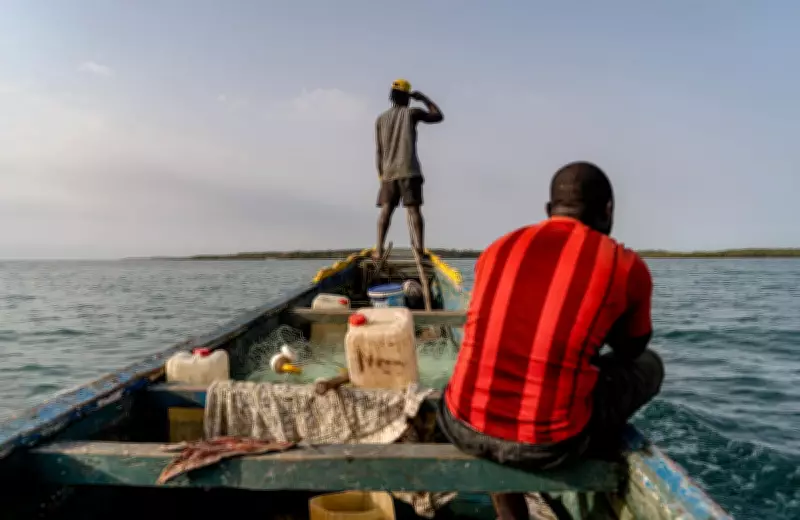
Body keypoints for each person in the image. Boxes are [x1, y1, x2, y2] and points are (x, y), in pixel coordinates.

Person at [437, 161, 664, 520]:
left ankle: (511, 513)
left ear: (548, 211)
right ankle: (600, 446)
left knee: (498, 378)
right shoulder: (625, 265)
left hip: (462, 424)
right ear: (608, 211)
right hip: (548, 445)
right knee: (651, 366)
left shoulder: (498, 248)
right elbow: (631, 351)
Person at [374, 78, 443, 259]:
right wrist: (424, 99)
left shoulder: (380, 119)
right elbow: (438, 116)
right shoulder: (412, 113)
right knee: (414, 211)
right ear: (406, 97)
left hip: (388, 173)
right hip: (409, 170)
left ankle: (379, 250)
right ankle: (419, 251)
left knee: (386, 211)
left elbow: (379, 151)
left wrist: (382, 175)